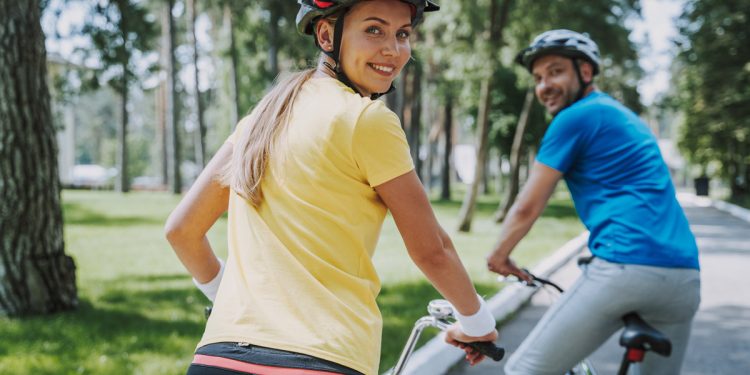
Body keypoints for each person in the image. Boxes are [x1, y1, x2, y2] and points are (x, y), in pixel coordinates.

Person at [165, 1, 497, 374]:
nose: (393, 48)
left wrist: (225, 297)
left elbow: (182, 231)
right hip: (322, 356)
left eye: (403, 33)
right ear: (326, 35)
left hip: (217, 358)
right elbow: (432, 250)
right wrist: (478, 323)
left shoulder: (260, 119)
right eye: (374, 30)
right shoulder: (366, 120)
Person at [485, 29, 701, 375]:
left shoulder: (574, 117)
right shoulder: (626, 118)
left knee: (525, 370)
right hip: (684, 278)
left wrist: (499, 256)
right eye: (539, 77)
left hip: (625, 266)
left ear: (585, 72)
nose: (544, 86)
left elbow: (528, 205)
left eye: (555, 72)